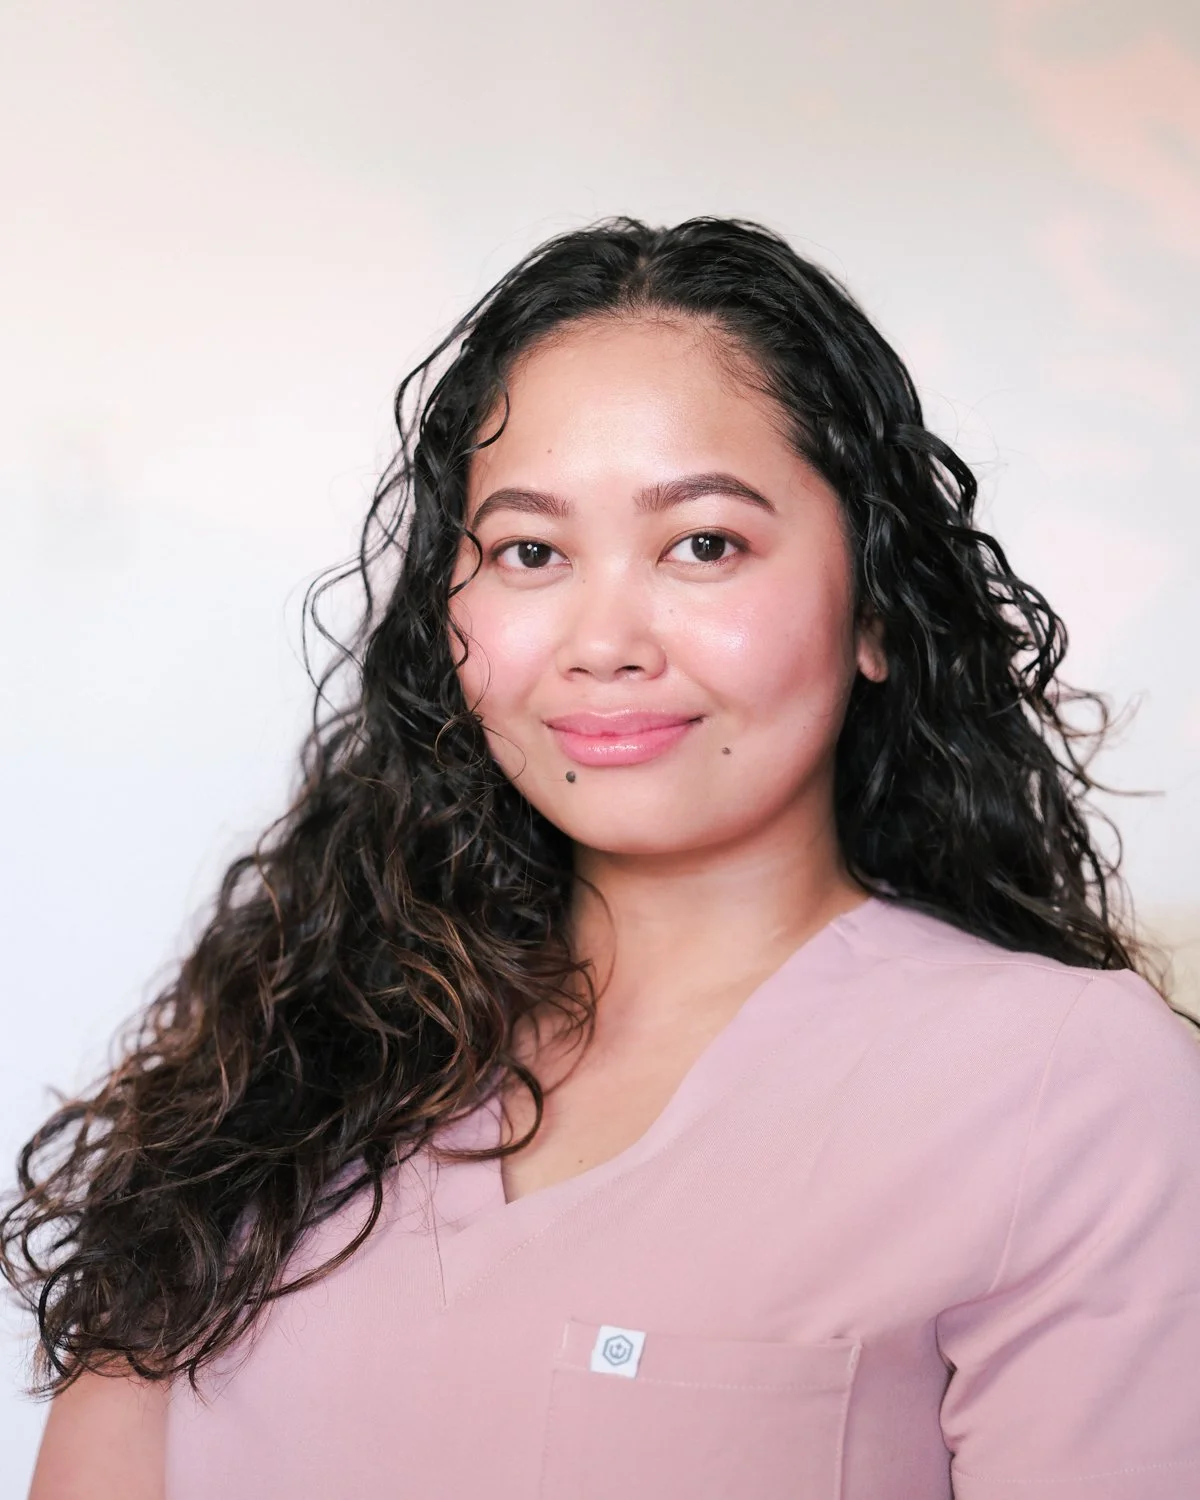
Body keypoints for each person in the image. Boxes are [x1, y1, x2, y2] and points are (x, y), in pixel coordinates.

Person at [5, 216, 1199, 1500]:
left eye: (704, 544)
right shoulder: (279, 1061)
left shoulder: (1064, 1086)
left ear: (875, 606)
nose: (604, 640)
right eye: (531, 553)